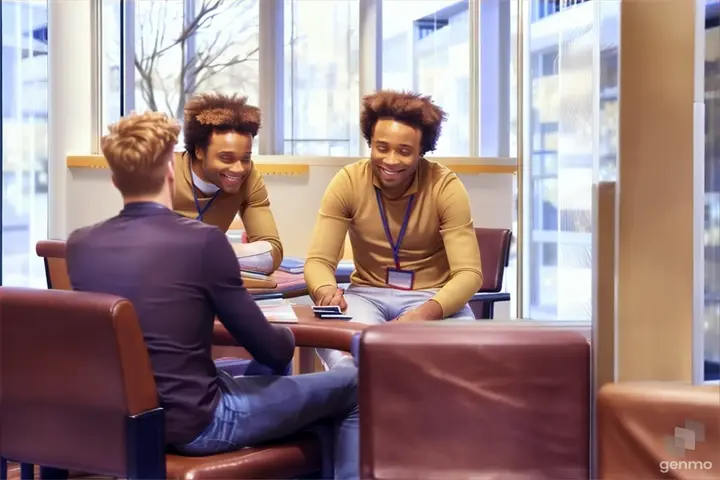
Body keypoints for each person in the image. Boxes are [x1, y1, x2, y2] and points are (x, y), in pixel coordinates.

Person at [65, 111, 359, 479]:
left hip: (128, 419)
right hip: (198, 424)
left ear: (114, 181)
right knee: (355, 384)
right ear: (171, 172)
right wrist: (288, 335)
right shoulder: (203, 241)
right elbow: (273, 349)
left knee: (265, 379)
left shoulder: (79, 245)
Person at [304, 90, 484, 368]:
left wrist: (425, 314)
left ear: (421, 151)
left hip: (432, 295)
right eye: (381, 147)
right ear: (370, 143)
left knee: (457, 360)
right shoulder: (348, 181)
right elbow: (318, 261)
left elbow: (469, 274)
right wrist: (325, 289)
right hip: (367, 294)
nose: (390, 160)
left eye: (404, 151)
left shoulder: (445, 186)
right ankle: (354, 409)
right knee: (344, 353)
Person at [175, 92, 282, 273]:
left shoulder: (250, 179)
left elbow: (272, 254)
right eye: (226, 158)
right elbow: (144, 248)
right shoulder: (164, 173)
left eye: (245, 158)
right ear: (200, 151)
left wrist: (207, 254)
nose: (239, 169)